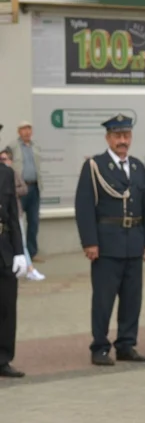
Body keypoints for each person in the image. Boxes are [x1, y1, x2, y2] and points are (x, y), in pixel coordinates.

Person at [74, 114, 145, 366]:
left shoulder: (137, 167)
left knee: (132, 299)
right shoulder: (94, 166)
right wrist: (90, 242)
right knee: (103, 300)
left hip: (134, 241)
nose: (123, 141)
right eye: (118, 136)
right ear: (108, 138)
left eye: (126, 136)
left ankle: (126, 344)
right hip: (106, 244)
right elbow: (84, 207)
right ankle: (100, 346)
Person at [0, 144, 26, 377]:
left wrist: (19, 251)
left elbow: (12, 214)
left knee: (7, 307)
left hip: (4, 248)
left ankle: (3, 359)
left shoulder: (6, 173)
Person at [0, 148, 43, 281]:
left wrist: (18, 253)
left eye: (5, 159)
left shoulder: (10, 174)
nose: (3, 162)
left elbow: (22, 191)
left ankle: (29, 268)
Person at [7, 121, 42, 260]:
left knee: (34, 222)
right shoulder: (12, 147)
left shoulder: (36, 146)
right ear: (18, 132)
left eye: (29, 129)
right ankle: (19, 252)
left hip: (34, 187)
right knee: (17, 222)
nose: (27, 132)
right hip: (20, 190)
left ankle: (32, 253)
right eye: (23, 129)